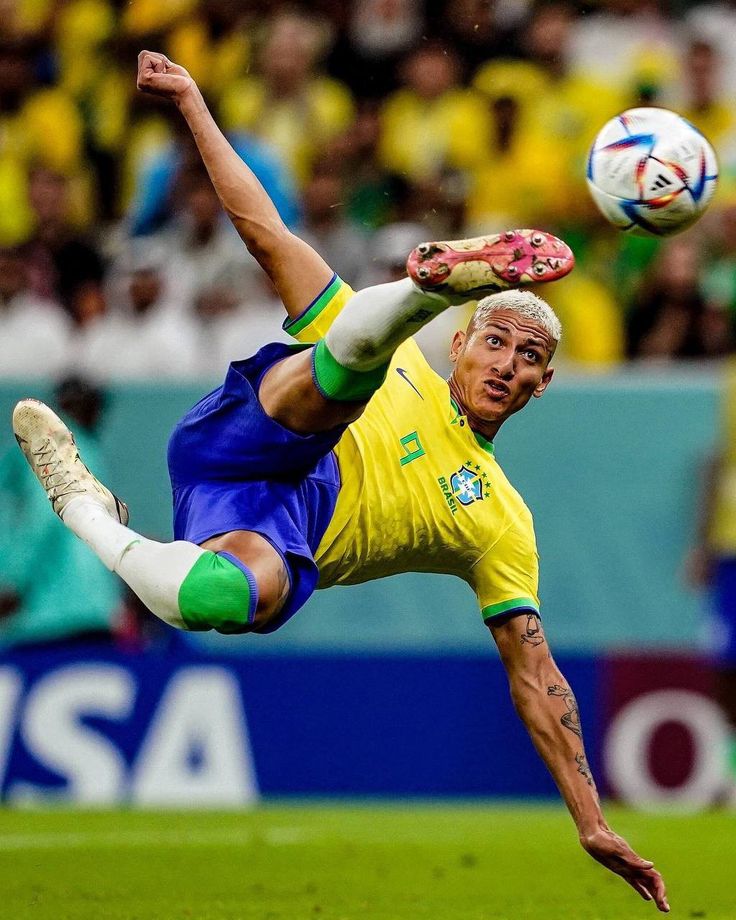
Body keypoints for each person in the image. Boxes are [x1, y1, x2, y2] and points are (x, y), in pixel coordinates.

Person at [12, 51, 669, 913]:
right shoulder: (409, 377)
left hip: (266, 526)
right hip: (257, 428)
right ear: (463, 348)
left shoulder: (501, 522)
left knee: (218, 602)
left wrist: (590, 819)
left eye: (531, 358)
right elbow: (264, 233)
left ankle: (85, 507)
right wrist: (194, 105)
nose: (509, 364)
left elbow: (537, 676)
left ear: (544, 387)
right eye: (496, 340)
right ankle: (429, 290)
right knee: (344, 374)